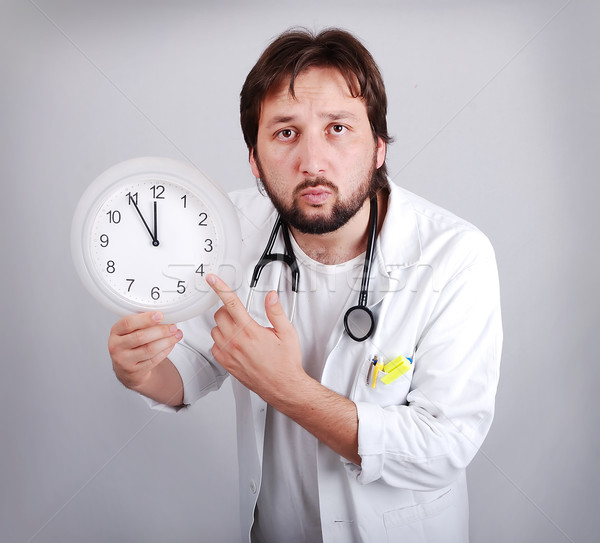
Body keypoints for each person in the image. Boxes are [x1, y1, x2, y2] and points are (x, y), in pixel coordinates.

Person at [108, 28, 502, 543]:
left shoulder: (455, 256)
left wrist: (287, 389)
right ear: (255, 159)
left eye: (338, 128)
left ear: (378, 147)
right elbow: (192, 366)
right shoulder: (229, 231)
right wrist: (140, 369)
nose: (313, 163)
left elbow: (443, 447)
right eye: (285, 133)